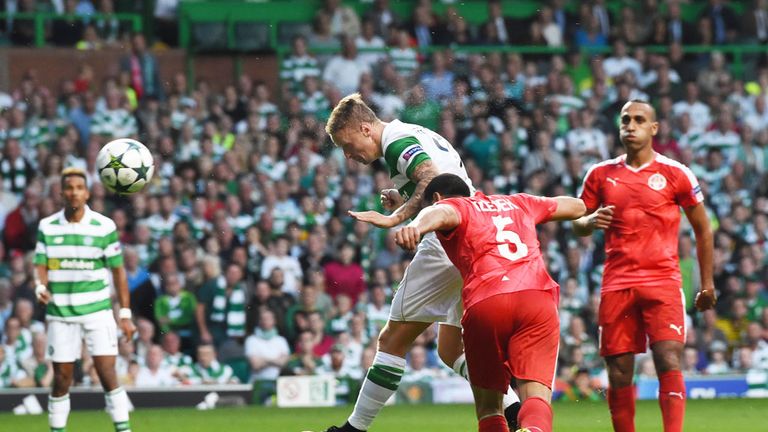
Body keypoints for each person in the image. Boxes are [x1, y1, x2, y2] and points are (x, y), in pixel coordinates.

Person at [323, 94, 519, 432]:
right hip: (475, 240)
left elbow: (429, 175)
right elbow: (436, 182)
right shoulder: (415, 133)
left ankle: (352, 430)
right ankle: (517, 412)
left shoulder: (397, 143)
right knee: (450, 348)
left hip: (446, 240)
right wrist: (406, 197)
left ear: (366, 128)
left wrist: (397, 216)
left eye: (347, 143)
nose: (348, 155)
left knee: (392, 339)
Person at [392, 173, 586, 432]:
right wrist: (588, 212)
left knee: (490, 408)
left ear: (437, 198)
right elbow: (576, 206)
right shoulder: (519, 202)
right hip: (537, 300)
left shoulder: (457, 207)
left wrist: (416, 226)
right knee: (536, 395)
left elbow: (440, 213)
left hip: (487, 302)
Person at [573, 100, 716, 432]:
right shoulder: (600, 174)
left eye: (639, 120)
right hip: (617, 283)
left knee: (668, 358)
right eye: (626, 120)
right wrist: (590, 220)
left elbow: (703, 229)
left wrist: (706, 283)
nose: (631, 126)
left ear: (654, 128)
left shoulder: (676, 173)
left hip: (663, 281)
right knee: (619, 369)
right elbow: (576, 222)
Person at [34, 167, 136, 432]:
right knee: (61, 378)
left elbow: (118, 272)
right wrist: (39, 286)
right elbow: (41, 264)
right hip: (61, 313)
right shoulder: (47, 226)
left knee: (107, 374)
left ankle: (123, 429)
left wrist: (125, 314)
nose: (74, 192)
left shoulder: (104, 226)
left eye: (79, 188)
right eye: (69, 188)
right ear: (61, 193)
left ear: (88, 193)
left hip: (97, 311)